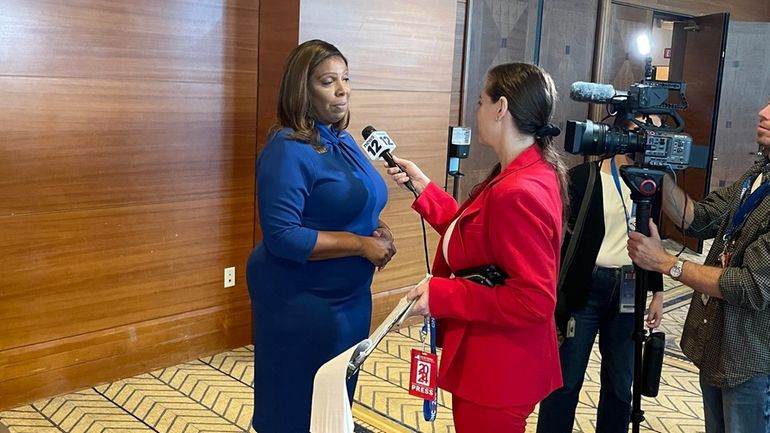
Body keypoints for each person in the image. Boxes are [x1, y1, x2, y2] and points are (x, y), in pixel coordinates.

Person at [385, 63, 566, 433]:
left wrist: (443, 294)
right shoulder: (524, 171)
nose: (477, 112)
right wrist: (425, 189)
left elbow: (533, 299)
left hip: (499, 368)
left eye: (481, 102)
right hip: (500, 361)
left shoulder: (518, 190)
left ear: (501, 108)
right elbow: (479, 239)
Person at [245, 39, 396, 433]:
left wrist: (378, 230)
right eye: (329, 81)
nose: (343, 90)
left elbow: (363, 202)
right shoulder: (286, 149)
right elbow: (284, 236)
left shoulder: (343, 141)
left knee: (333, 402)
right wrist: (363, 245)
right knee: (296, 406)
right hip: (301, 301)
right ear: (302, 88)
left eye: (345, 79)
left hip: (350, 298)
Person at [627, 101, 770, 433]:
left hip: (752, 363)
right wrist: (657, 171)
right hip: (719, 350)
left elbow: (750, 285)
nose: (762, 112)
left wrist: (667, 264)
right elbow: (699, 218)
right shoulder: (758, 175)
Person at [536, 151, 664, 433]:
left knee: (620, 385)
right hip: (586, 286)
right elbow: (563, 238)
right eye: (642, 123)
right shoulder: (585, 176)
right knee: (566, 381)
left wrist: (657, 291)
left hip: (630, 287)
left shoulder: (652, 180)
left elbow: (654, 236)